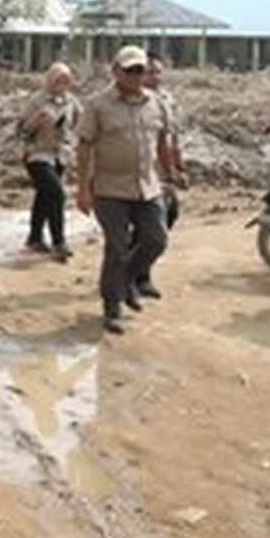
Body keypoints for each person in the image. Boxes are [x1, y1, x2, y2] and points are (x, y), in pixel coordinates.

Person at [74, 45, 184, 335]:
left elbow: (162, 143)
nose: (137, 75)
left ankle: (126, 282)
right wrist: (82, 188)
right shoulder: (98, 105)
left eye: (140, 70)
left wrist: (170, 176)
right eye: (130, 70)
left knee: (156, 240)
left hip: (148, 186)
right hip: (110, 188)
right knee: (117, 248)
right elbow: (84, 147)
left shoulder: (156, 103)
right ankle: (112, 307)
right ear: (116, 72)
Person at [134, 52, 187, 298]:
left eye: (158, 72)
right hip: (140, 170)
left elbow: (172, 138)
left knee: (169, 215)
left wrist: (178, 167)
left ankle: (137, 270)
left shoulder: (166, 100)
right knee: (145, 223)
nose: (154, 77)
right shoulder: (132, 100)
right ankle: (136, 276)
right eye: (149, 72)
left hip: (162, 170)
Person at [20, 62, 82, 261]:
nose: (61, 83)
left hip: (60, 156)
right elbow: (21, 131)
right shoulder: (36, 101)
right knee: (56, 194)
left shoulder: (71, 102)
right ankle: (59, 241)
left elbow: (81, 123)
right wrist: (36, 122)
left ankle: (34, 237)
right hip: (37, 155)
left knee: (44, 197)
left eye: (66, 80)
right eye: (58, 79)